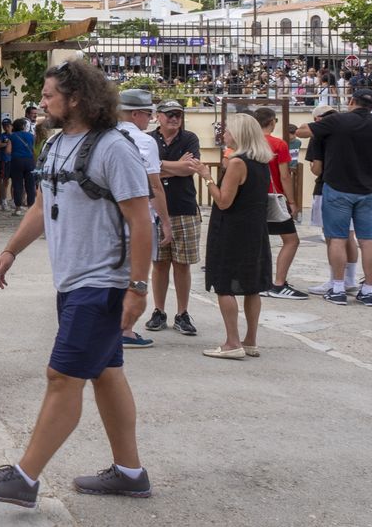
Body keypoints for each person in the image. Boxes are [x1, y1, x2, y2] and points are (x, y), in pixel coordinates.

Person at [0, 59, 153, 509]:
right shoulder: (55, 144)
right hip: (72, 282)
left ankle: (24, 478)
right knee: (107, 375)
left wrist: (138, 286)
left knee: (61, 377)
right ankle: (130, 473)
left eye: (50, 94)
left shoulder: (114, 148)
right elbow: (39, 205)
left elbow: (141, 220)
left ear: (77, 99)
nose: (43, 101)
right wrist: (11, 250)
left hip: (102, 283)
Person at [297, 88, 372, 307]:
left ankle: (338, 287)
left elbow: (303, 132)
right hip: (368, 189)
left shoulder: (338, 121)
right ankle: (368, 291)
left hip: (338, 188)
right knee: (368, 241)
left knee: (337, 238)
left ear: (351, 101)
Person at [191, 113, 273, 359]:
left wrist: (206, 177)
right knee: (252, 286)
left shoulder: (238, 162)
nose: (223, 134)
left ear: (238, 134)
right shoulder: (261, 160)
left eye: (227, 131)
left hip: (232, 229)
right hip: (255, 228)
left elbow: (224, 201)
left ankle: (232, 342)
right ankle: (250, 341)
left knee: (224, 283)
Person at [115, 90, 173, 349]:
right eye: (148, 114)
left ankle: (110, 326)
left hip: (107, 217)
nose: (149, 120)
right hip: (138, 216)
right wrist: (166, 222)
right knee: (135, 273)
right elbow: (155, 186)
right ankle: (125, 329)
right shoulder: (144, 141)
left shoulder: (104, 137)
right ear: (136, 113)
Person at [144, 100, 200, 337]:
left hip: (184, 207)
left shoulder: (190, 138)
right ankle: (159, 310)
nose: (174, 118)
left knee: (182, 263)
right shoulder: (148, 139)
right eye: (169, 115)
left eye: (178, 114)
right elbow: (143, 169)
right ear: (158, 117)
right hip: (154, 209)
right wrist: (176, 166)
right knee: (159, 263)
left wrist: (157, 167)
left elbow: (190, 168)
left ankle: (182, 312)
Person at [252, 108, 305, 299]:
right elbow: (284, 176)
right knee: (291, 240)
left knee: (257, 240)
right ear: (272, 122)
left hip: (252, 198)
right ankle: (278, 283)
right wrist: (292, 201)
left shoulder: (248, 143)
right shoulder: (278, 144)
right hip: (273, 197)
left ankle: (256, 280)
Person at [8, 118, 37, 216]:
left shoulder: (12, 136)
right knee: (30, 185)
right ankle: (30, 208)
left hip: (16, 161)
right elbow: (33, 150)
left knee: (17, 185)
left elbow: (8, 150)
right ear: (24, 126)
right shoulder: (31, 136)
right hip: (29, 161)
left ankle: (18, 208)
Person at [0, 117, 13, 211]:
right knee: (5, 181)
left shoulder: (15, 135)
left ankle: (14, 200)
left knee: (15, 181)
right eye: (4, 126)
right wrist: (6, 144)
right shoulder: (2, 136)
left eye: (7, 126)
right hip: (5, 160)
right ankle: (4, 200)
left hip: (14, 160)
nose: (6, 128)